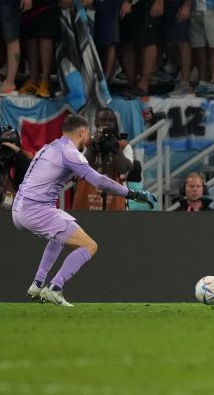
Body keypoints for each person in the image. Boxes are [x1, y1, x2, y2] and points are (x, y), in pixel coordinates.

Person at [12, 114, 156, 307]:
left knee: (62, 229)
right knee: (89, 246)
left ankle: (38, 284)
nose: (88, 138)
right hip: (35, 209)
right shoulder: (70, 152)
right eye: (87, 134)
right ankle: (55, 288)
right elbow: (100, 181)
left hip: (19, 209)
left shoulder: (49, 147)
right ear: (81, 132)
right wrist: (132, 194)